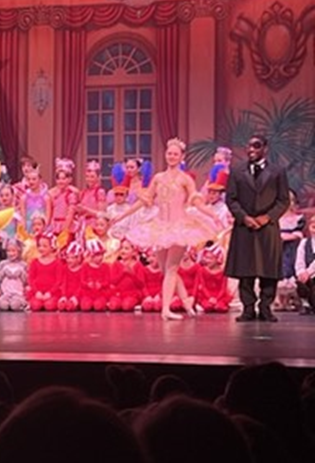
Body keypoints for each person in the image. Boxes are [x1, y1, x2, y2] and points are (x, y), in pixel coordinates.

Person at [114, 138, 220, 320]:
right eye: (169, 153)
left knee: (171, 268)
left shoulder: (185, 179)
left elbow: (195, 199)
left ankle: (166, 309)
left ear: (181, 157)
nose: (171, 157)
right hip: (160, 226)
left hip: (180, 227)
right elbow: (144, 200)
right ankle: (186, 300)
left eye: (175, 154)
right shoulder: (158, 178)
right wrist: (122, 216)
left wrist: (211, 214)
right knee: (165, 269)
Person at [225, 135, 290, 322]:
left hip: (267, 227)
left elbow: (283, 200)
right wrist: (244, 217)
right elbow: (231, 198)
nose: (251, 149)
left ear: (265, 149)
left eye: (256, 146)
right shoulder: (237, 171)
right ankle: (248, 308)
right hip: (244, 226)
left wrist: (267, 217)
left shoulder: (277, 171)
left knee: (268, 269)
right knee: (246, 269)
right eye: (249, 145)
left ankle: (265, 307)